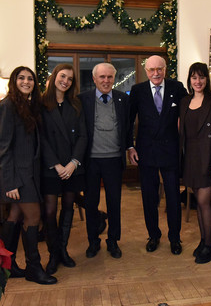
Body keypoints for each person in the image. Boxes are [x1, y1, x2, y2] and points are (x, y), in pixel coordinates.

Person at [0, 66, 57, 285]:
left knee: (15, 217)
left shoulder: (27, 106)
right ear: (13, 81)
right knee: (33, 217)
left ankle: (7, 264)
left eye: (30, 78)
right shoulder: (7, 106)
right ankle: (34, 268)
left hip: (29, 174)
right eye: (21, 78)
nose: (26, 82)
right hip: (18, 178)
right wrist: (10, 182)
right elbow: (3, 148)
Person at [128, 55, 187, 255]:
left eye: (159, 69)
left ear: (165, 69)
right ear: (146, 71)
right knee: (149, 198)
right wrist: (130, 147)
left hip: (170, 151)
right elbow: (129, 121)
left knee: (173, 197)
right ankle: (153, 235)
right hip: (146, 152)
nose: (156, 73)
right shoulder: (138, 91)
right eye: (152, 70)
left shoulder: (177, 88)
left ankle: (175, 238)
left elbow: (190, 110)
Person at [79, 63, 129, 259]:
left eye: (110, 77)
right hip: (90, 161)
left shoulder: (122, 99)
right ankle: (93, 241)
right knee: (91, 203)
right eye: (102, 77)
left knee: (114, 203)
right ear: (94, 79)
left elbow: (126, 128)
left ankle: (113, 241)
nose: (106, 81)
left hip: (114, 160)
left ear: (114, 79)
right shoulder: (83, 100)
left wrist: (129, 147)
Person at [40, 64, 87, 275]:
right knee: (49, 212)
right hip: (51, 167)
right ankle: (53, 254)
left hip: (72, 167)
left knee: (68, 208)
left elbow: (83, 136)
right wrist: (57, 165)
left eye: (69, 78)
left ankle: (63, 250)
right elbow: (40, 138)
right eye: (62, 76)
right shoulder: (41, 103)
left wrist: (73, 162)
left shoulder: (75, 104)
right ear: (54, 77)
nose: (65, 81)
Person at [179, 62, 211, 263]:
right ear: (189, 80)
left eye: (202, 77)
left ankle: (209, 245)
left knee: (205, 202)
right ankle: (203, 240)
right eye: (194, 77)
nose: (198, 81)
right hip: (190, 157)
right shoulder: (184, 101)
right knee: (199, 202)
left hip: (207, 158)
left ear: (207, 79)